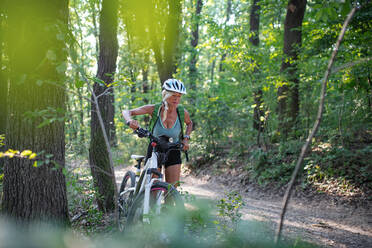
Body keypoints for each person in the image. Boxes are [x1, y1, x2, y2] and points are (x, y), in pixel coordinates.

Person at [122, 78, 193, 187]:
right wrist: (130, 121)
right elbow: (127, 112)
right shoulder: (154, 109)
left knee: (172, 190)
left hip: (174, 149)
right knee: (152, 189)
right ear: (165, 94)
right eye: (174, 95)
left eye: (179, 96)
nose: (176, 99)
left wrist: (186, 138)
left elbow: (189, 123)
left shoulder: (182, 112)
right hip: (155, 148)